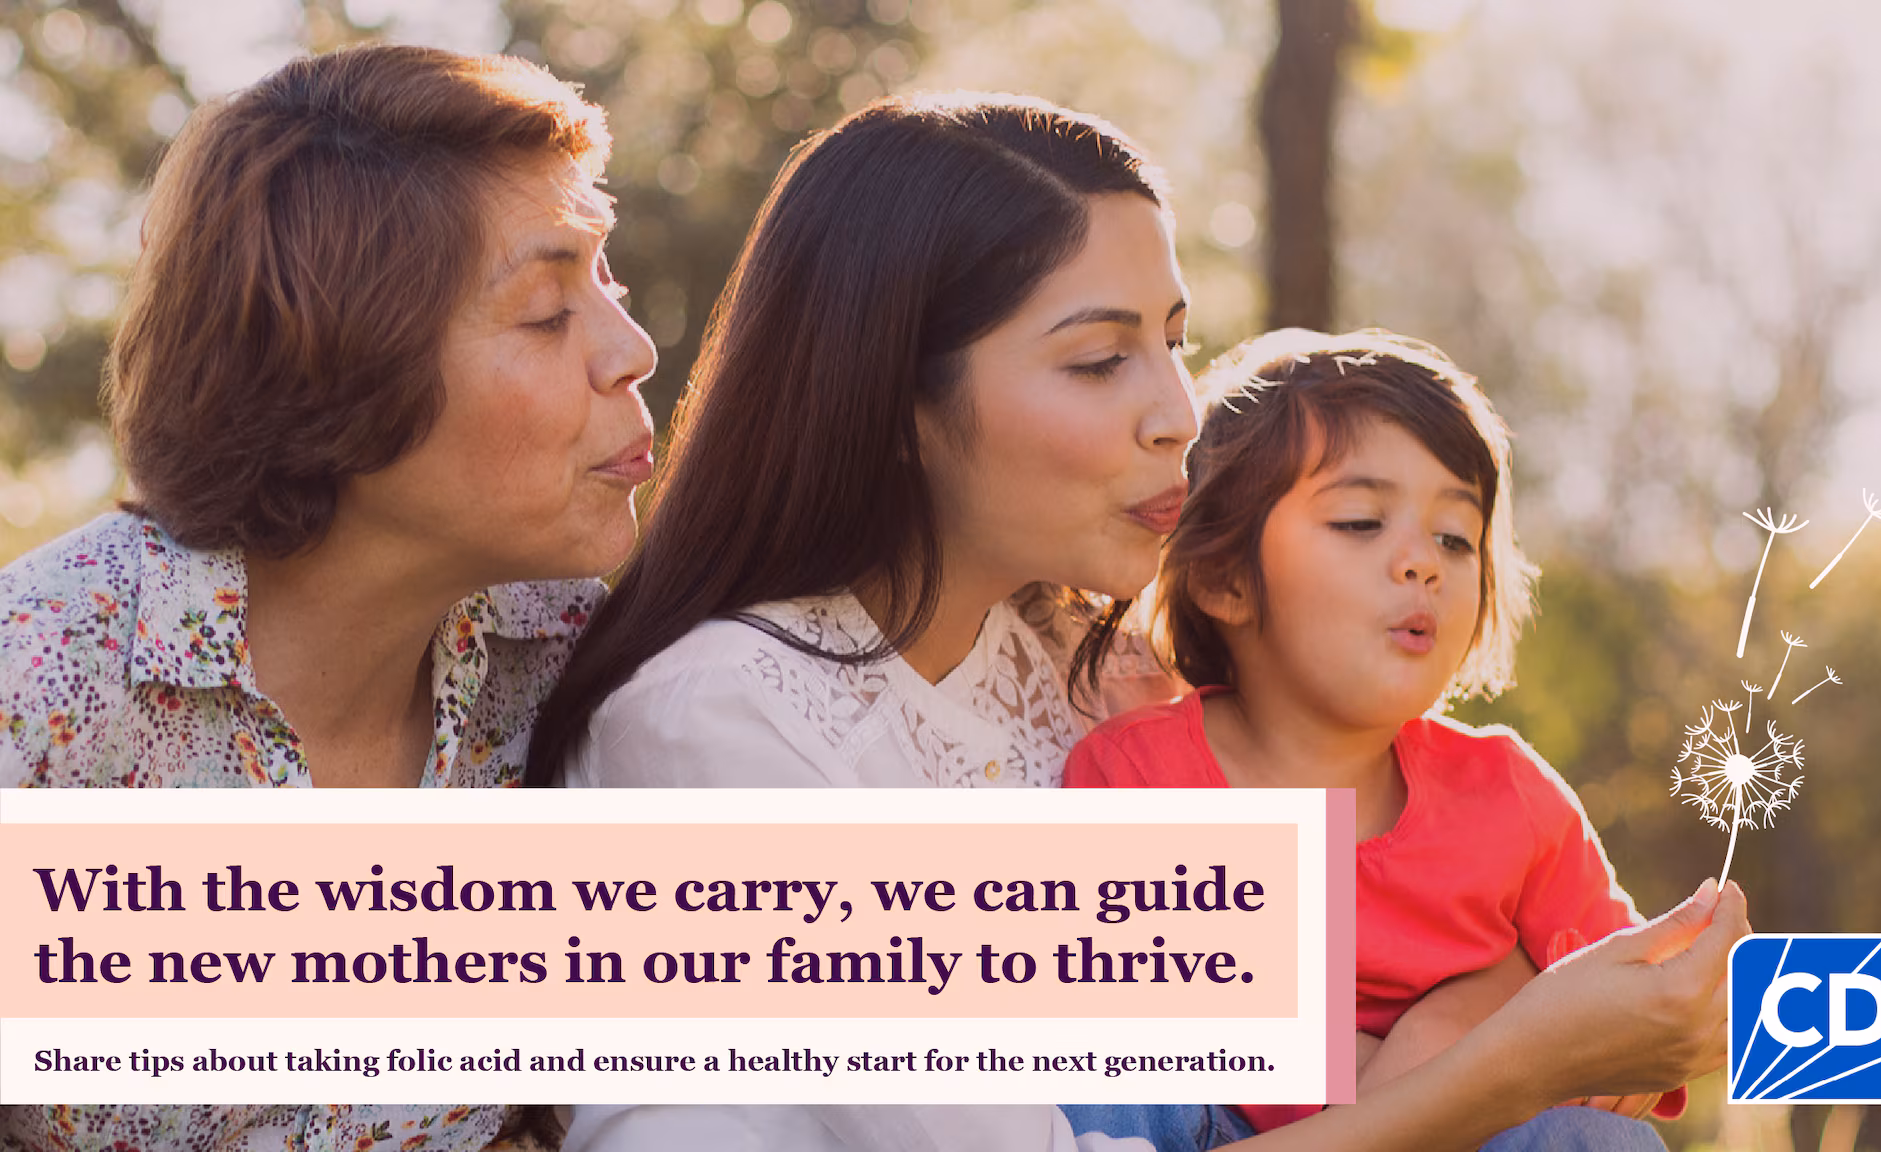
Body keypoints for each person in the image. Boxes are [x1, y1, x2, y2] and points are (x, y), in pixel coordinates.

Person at [536, 92, 1745, 1151]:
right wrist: (1513, 1062)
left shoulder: (1097, 676)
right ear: (896, 394)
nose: (1177, 414)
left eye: (1174, 344)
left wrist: (1492, 988)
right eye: (1098, 360)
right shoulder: (720, 729)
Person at [0, 43, 655, 1151]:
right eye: (548, 311)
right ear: (336, 369)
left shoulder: (586, 676)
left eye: (610, 285)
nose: (631, 351)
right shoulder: (38, 699)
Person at [1063, 329, 1681, 1147]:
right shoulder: (1136, 774)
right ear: (1224, 578)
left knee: (1597, 1142)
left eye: (1457, 538)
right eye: (1360, 522)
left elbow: (1628, 999)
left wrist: (1486, 1026)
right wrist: (1365, 1069)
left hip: (1459, 1132)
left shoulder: (1509, 797)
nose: (1422, 561)